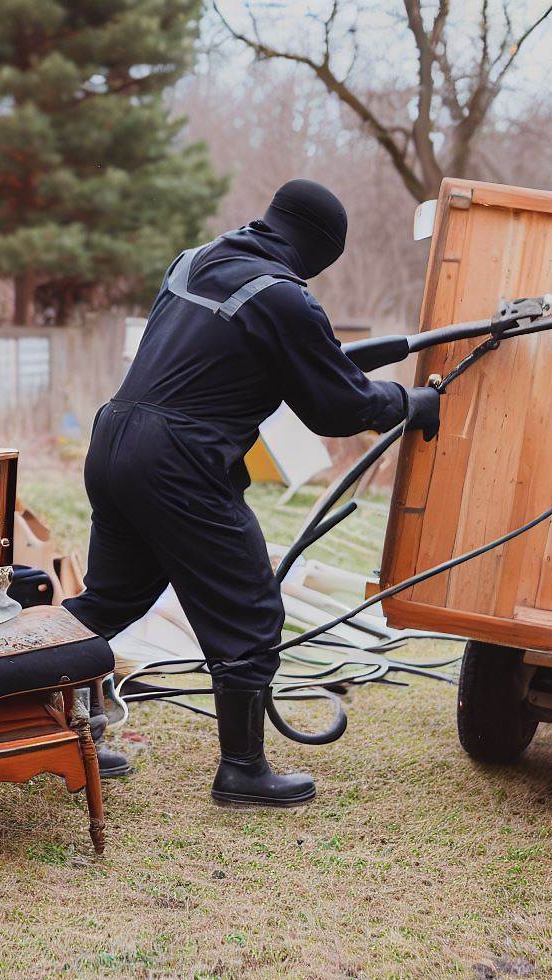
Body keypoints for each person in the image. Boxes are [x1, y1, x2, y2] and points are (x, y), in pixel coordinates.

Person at [64, 179, 441, 806]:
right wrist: (409, 401)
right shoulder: (284, 297)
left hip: (115, 438)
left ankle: (61, 730)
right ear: (320, 248)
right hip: (180, 460)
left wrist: (336, 363)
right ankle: (242, 771)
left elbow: (272, 358)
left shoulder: (196, 261)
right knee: (250, 610)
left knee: (110, 599)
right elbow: (334, 405)